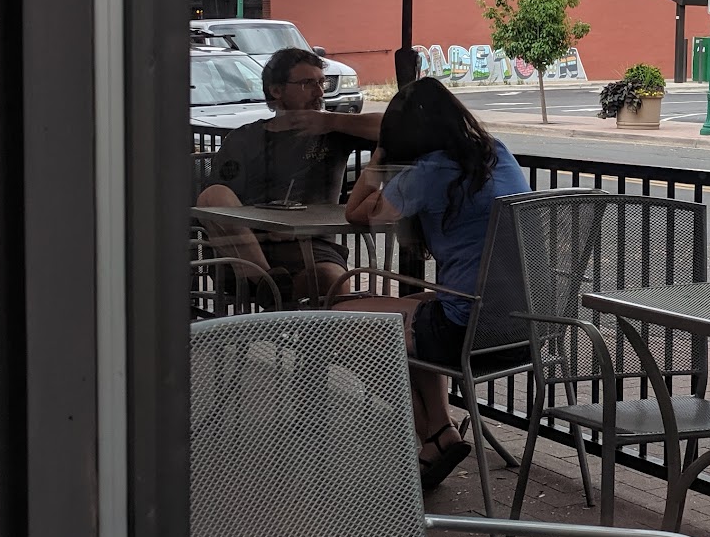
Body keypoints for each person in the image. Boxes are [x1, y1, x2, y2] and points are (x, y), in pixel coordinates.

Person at [344, 77, 530, 492]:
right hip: (525, 327)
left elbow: (356, 213)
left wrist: (378, 159)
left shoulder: (427, 172)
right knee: (414, 314)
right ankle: (441, 433)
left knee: (341, 317)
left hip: (467, 331)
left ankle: (435, 433)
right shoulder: (496, 152)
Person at [195, 46, 381, 304]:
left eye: (321, 83)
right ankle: (266, 282)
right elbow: (219, 204)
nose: (319, 92)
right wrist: (265, 227)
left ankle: (274, 293)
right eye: (307, 83)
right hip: (249, 249)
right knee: (213, 194)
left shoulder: (332, 132)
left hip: (312, 246)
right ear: (276, 91)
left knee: (330, 279)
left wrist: (333, 121)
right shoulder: (244, 138)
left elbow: (396, 127)